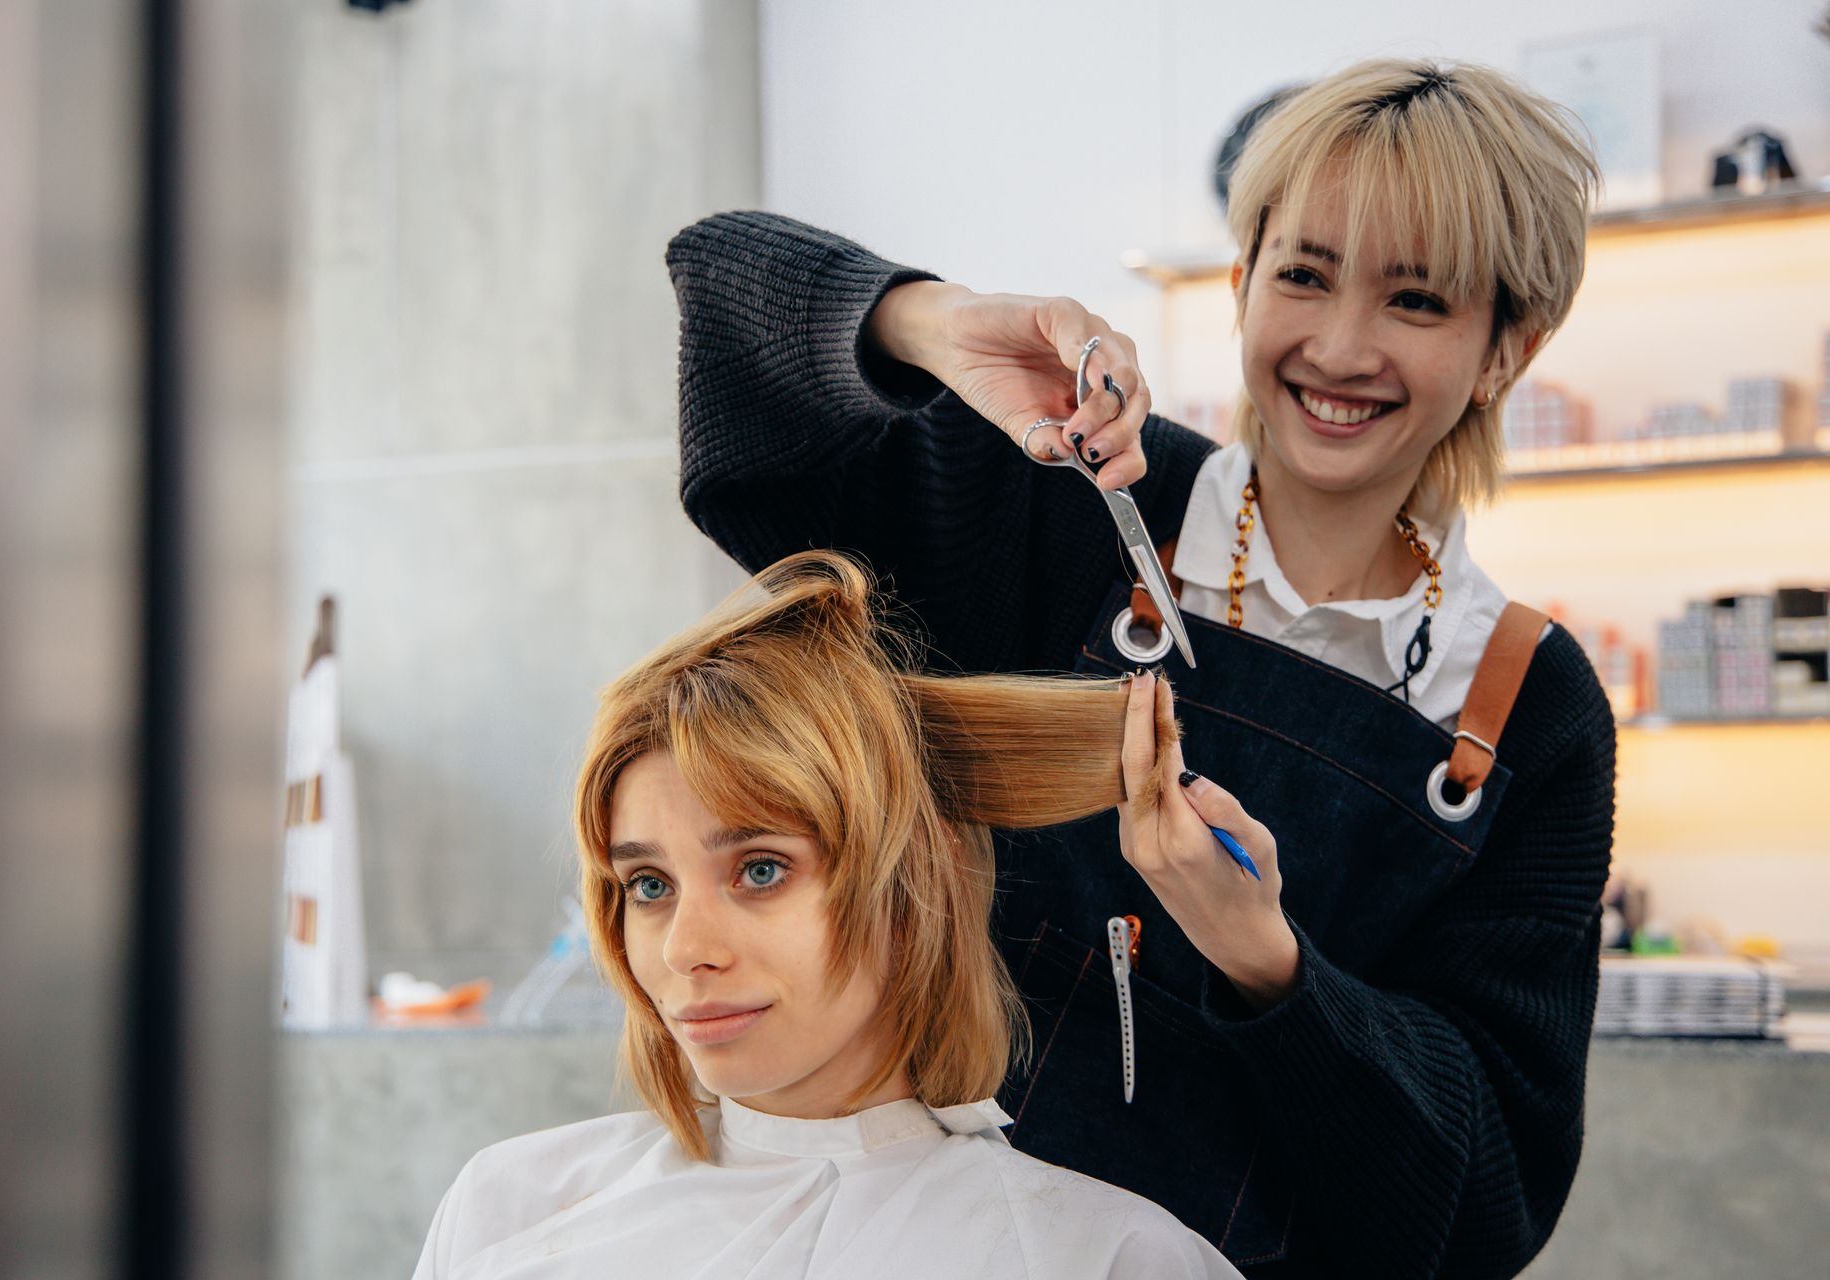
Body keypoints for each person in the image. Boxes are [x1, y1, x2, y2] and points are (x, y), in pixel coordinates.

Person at [664, 58, 1616, 1278]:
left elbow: (1486, 1198)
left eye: (1417, 301)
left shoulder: (1527, 703)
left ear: (1506, 350)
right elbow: (725, 304)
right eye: (1304, 274)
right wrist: (937, 322)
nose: (1339, 345)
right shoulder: (1066, 499)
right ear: (1241, 281)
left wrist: (1269, 964)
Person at [413, 551, 1241, 1279]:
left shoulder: (1104, 1259)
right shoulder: (511, 1211)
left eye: (761, 869)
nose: (686, 952)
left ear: (913, 882)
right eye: (650, 886)